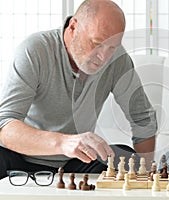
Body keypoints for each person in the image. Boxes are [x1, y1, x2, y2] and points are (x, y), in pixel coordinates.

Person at [0, 0, 157, 179]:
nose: (104, 57)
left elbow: (142, 118)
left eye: (112, 47)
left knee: (126, 159)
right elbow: (5, 126)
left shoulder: (117, 60)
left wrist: (147, 174)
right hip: (18, 157)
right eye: (96, 43)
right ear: (73, 27)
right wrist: (64, 143)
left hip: (75, 161)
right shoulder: (35, 50)